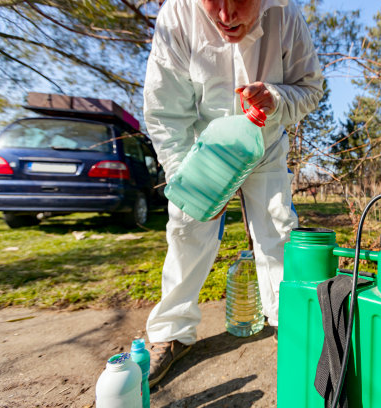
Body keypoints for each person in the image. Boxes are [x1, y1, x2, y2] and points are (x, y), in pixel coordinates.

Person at [142, 0, 323, 387]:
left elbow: (309, 88)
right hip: (202, 149)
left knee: (278, 230)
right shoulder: (176, 16)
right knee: (187, 229)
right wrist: (187, 181)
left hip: (265, 144)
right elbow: (166, 112)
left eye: (238, 0)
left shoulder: (286, 16)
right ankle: (171, 333)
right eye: (213, 1)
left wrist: (276, 99)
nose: (225, 16)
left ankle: (289, 327)